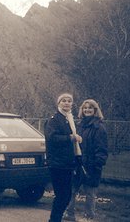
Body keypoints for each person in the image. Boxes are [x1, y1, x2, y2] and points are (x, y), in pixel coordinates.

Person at [63, 99, 108, 221]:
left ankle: (89, 217)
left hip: (92, 166)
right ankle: (69, 214)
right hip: (77, 164)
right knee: (72, 190)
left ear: (95, 110)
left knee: (90, 194)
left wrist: (97, 164)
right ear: (82, 110)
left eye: (90, 108)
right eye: (85, 108)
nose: (87, 110)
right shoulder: (79, 125)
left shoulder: (99, 127)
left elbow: (102, 149)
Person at [45, 93, 83, 222]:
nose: (66, 103)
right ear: (58, 103)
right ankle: (54, 220)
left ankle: (55, 219)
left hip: (68, 162)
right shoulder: (54, 119)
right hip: (57, 163)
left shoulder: (69, 118)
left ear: (72, 104)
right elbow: (51, 138)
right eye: (63, 101)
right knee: (62, 196)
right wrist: (71, 138)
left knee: (65, 196)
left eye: (69, 101)